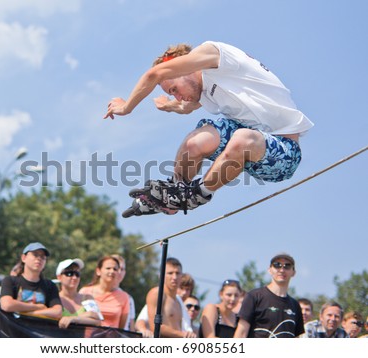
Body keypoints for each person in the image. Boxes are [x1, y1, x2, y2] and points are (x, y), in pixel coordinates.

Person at [105, 41, 314, 217]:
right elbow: (184, 107)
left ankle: (199, 194)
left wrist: (126, 106)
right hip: (253, 148)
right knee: (195, 141)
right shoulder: (203, 91)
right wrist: (167, 105)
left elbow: (154, 74)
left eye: (174, 89)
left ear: (183, 68)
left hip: (284, 155)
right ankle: (174, 195)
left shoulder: (213, 54)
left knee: (243, 137)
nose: (178, 96)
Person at [234, 253, 304, 338]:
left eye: (287, 266)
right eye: (277, 265)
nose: (281, 270)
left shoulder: (295, 305)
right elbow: (241, 333)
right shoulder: (254, 296)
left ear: (293, 272)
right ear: (269, 270)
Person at [0, 242, 62, 320]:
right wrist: (38, 307)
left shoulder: (50, 285)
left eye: (43, 257)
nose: (39, 259)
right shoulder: (10, 280)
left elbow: (57, 312)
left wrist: (29, 314)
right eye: (35, 255)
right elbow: (7, 305)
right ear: (23, 258)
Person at [146, 257, 195, 338]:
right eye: (170, 273)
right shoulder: (157, 294)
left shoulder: (179, 301)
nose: (174, 277)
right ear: (161, 275)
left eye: (177, 273)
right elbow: (155, 327)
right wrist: (182, 334)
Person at [79, 255, 129, 329]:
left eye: (115, 269)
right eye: (108, 268)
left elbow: (121, 328)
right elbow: (78, 316)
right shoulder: (85, 291)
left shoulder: (124, 297)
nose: (112, 271)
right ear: (98, 271)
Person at [56, 258, 102, 329]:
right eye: (69, 273)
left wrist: (74, 319)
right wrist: (86, 316)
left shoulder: (87, 298)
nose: (74, 277)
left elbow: (98, 321)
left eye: (77, 274)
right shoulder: (54, 298)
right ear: (59, 277)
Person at [111, 254, 136, 331]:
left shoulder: (129, 299)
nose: (119, 272)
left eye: (122, 269)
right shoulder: (89, 292)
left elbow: (131, 328)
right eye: (116, 268)